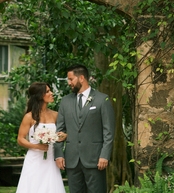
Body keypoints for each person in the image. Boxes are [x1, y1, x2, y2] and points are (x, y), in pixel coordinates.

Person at [55, 64, 115, 193]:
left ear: (81, 78)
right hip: (72, 160)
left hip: (95, 159)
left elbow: (108, 131)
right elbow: (60, 130)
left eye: (71, 79)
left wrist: (104, 155)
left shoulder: (102, 99)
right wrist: (59, 154)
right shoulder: (65, 101)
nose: (69, 83)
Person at [15, 82, 67, 193]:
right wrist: (36, 146)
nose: (51, 93)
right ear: (39, 95)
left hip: (50, 158)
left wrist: (63, 136)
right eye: (48, 91)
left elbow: (63, 132)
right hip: (34, 159)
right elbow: (20, 139)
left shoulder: (55, 115)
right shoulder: (29, 116)